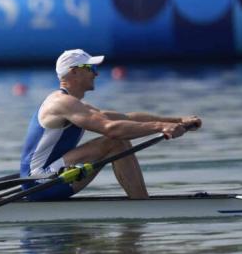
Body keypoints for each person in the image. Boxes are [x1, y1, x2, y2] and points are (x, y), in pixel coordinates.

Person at [19, 49, 202, 200]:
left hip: (52, 177)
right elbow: (111, 129)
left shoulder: (77, 106)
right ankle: (142, 206)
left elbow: (127, 118)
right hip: (39, 183)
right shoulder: (60, 103)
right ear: (74, 71)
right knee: (115, 141)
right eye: (90, 68)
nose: (96, 73)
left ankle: (141, 203)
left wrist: (177, 121)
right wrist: (159, 127)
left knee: (118, 138)